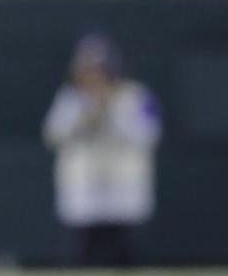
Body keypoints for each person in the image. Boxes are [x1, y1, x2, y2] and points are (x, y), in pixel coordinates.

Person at [43, 32, 161, 267]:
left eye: (99, 71)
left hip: (124, 185)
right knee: (81, 252)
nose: (93, 78)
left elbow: (150, 133)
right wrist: (83, 121)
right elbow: (52, 134)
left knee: (125, 250)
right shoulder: (70, 99)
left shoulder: (136, 96)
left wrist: (112, 116)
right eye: (87, 71)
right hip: (84, 187)